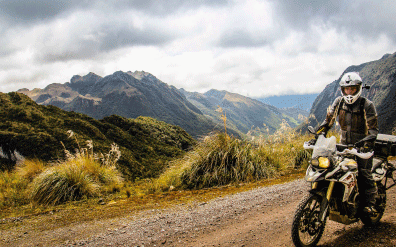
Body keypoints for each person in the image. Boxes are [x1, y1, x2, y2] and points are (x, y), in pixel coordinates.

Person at [316, 71, 379, 215]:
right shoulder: (339, 102)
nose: (349, 92)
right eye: (346, 89)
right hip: (344, 145)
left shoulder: (367, 105)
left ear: (359, 88)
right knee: (335, 171)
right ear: (342, 90)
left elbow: (373, 130)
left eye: (352, 89)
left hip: (362, 147)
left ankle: (370, 205)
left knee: (364, 174)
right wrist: (319, 134)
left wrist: (367, 144)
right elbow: (328, 121)